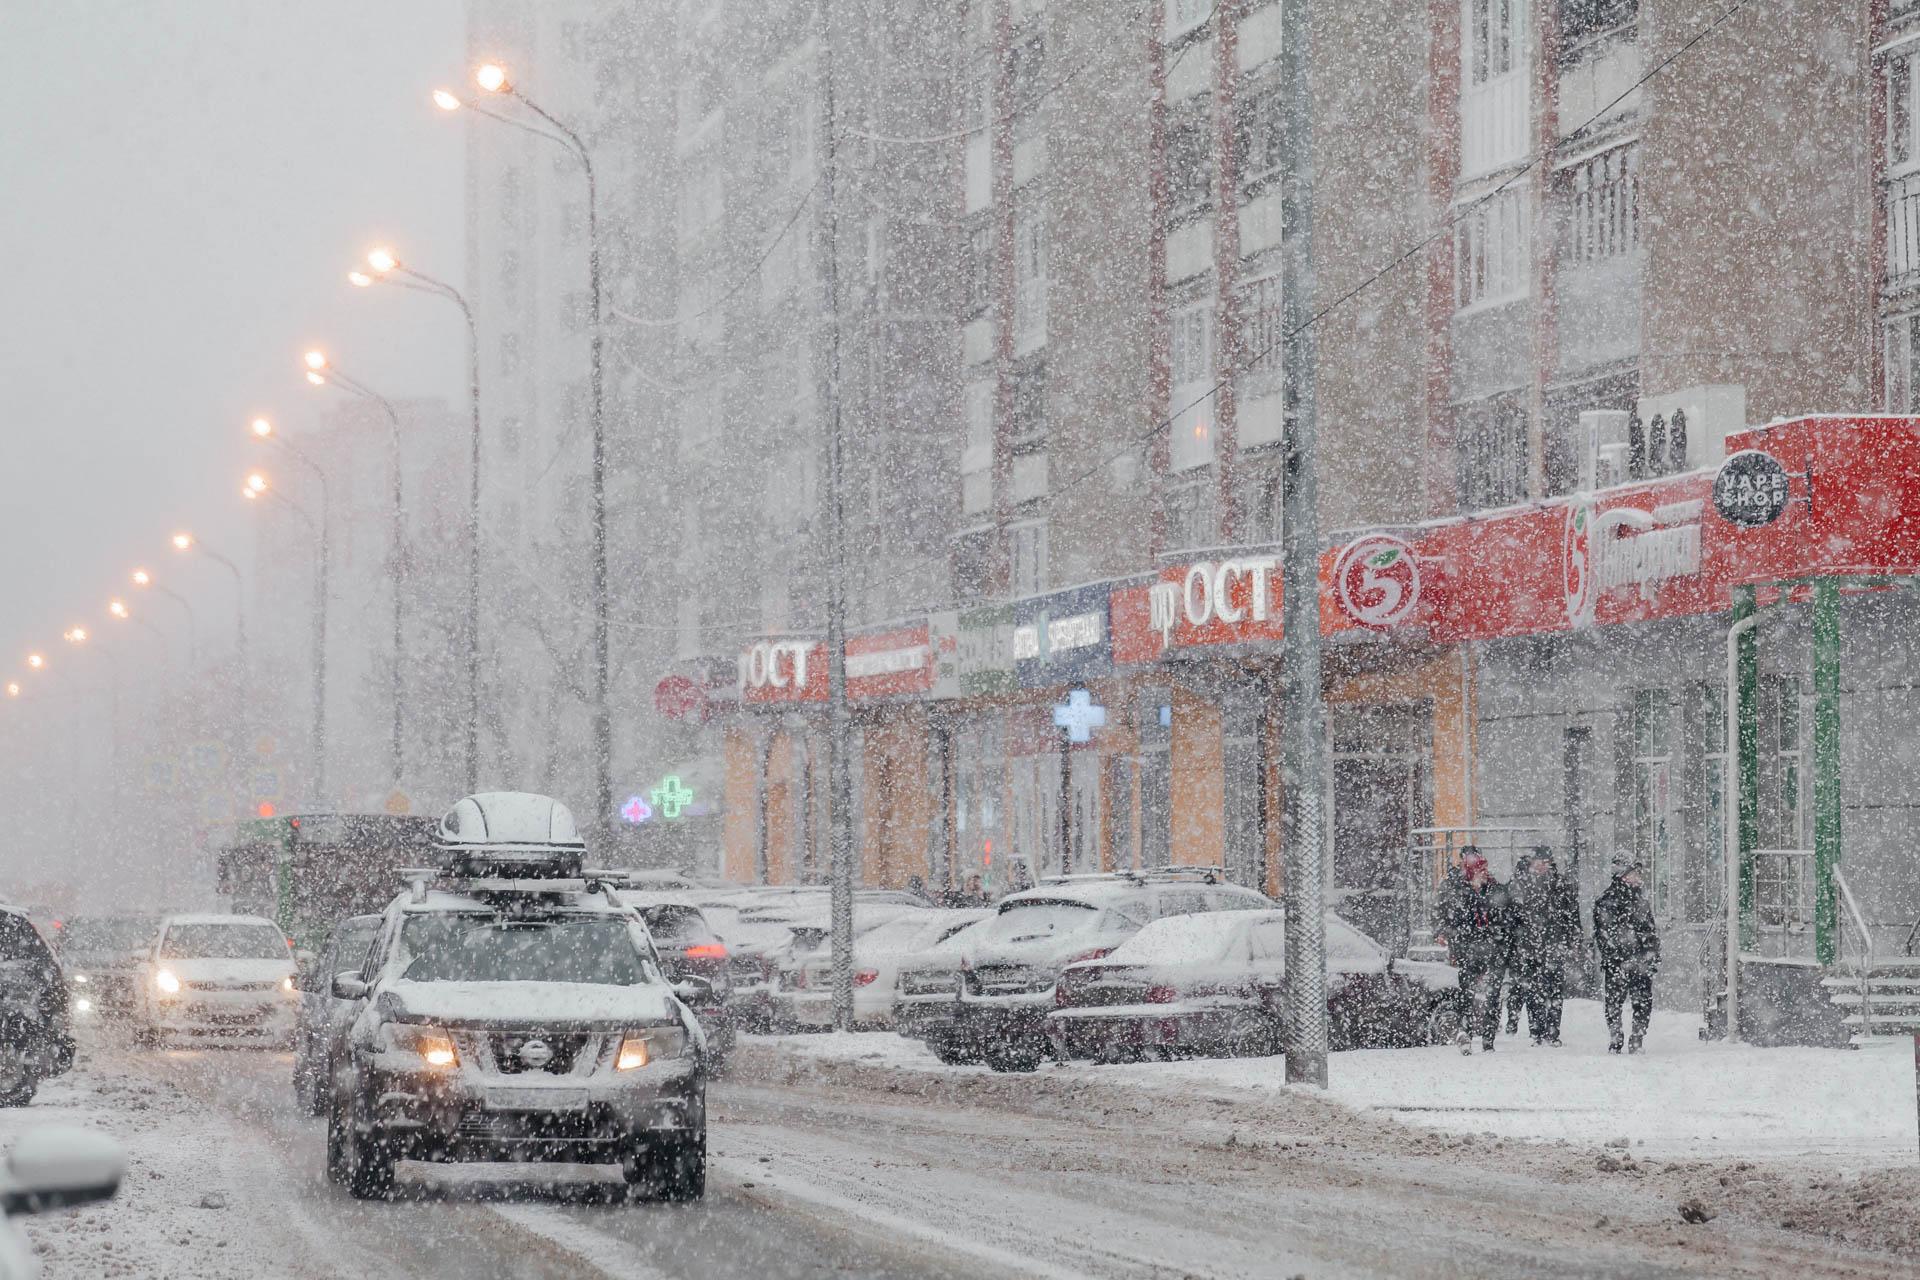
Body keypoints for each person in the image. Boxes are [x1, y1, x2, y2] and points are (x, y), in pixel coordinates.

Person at [1437, 848, 1511, 1054]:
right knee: (1466, 994)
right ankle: (1466, 1033)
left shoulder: (1494, 889)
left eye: (1484, 868)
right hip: (1468, 950)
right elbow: (1450, 917)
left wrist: (1499, 936)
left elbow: (1505, 916)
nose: (1484, 873)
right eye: (1479, 869)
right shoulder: (1457, 890)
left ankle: (1488, 1038)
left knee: (1493, 995)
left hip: (1492, 949)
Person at [1507, 847, 1581, 1045]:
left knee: (1555, 990)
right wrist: (1514, 942)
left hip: (1554, 944)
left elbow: (1572, 914)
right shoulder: (1519, 885)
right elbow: (1512, 917)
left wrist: (1574, 938)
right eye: (1538, 861)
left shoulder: (1560, 884)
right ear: (1531, 863)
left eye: (1545, 862)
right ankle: (1537, 1031)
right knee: (1533, 991)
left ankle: (1553, 1032)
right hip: (1529, 946)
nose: (1542, 866)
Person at [1593, 853, 1661, 1053]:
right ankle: (1617, 1037)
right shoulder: (1608, 900)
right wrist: (1618, 958)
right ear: (1623, 874)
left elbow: (1649, 929)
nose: (1639, 876)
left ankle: (1637, 1038)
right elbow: (1603, 934)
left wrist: (1651, 952)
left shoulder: (1640, 899)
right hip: (1619, 962)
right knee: (1615, 1002)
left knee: (1642, 1002)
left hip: (1640, 961)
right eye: (1634, 872)